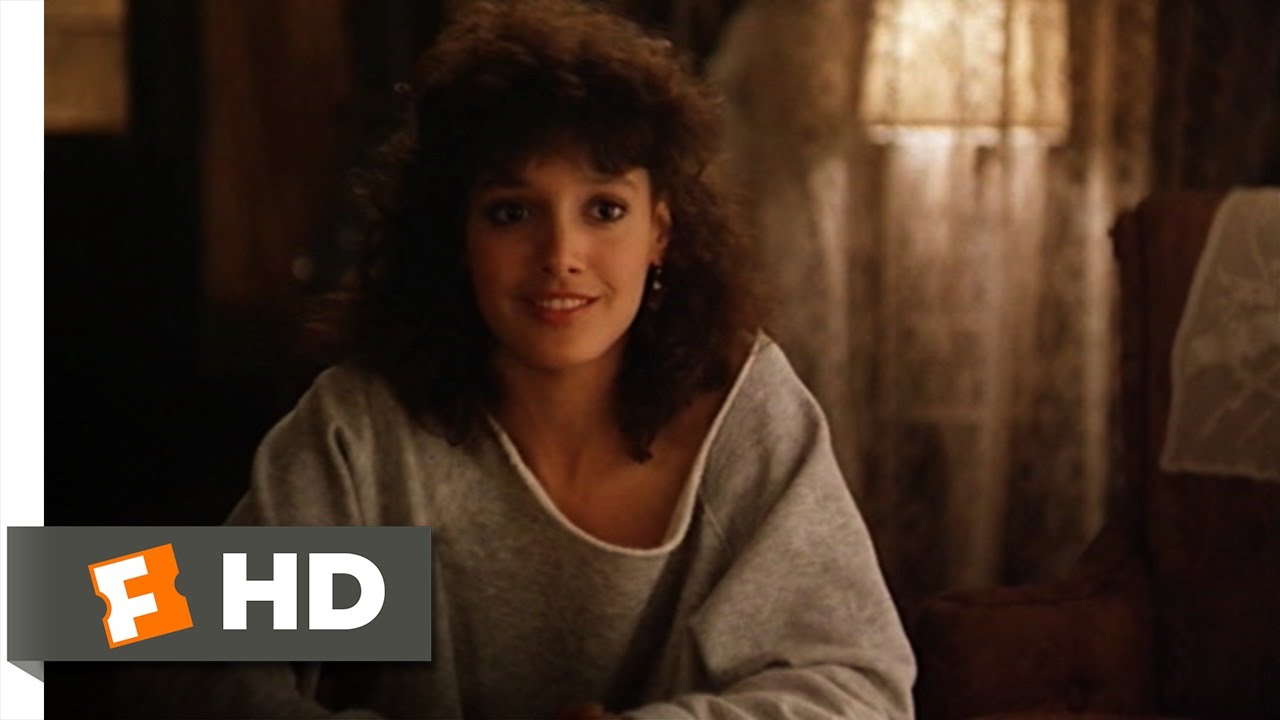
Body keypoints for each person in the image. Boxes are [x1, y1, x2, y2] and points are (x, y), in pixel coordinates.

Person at [125, 1, 916, 717]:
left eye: (604, 209)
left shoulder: (742, 413)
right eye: (512, 213)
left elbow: (860, 689)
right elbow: (176, 653)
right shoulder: (369, 432)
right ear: (459, 237)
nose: (560, 254)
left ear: (660, 233)